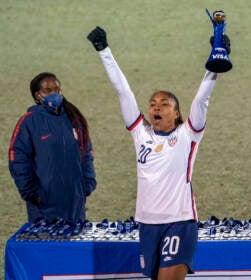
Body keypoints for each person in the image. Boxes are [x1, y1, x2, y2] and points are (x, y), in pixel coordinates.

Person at [87, 26, 230, 280]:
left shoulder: (188, 134)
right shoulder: (140, 133)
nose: (157, 107)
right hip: (147, 223)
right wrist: (104, 50)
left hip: (180, 221)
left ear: (176, 113)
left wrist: (214, 64)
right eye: (153, 104)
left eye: (165, 104)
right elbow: (123, 91)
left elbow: (201, 99)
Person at [9, 72, 97, 224]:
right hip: (44, 204)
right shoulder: (29, 122)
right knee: (46, 246)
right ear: (37, 96)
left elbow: (87, 152)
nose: (54, 94)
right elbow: (17, 159)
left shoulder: (74, 118)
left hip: (75, 201)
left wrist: (86, 185)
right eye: (47, 91)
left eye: (56, 89)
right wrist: (32, 193)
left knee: (74, 244)